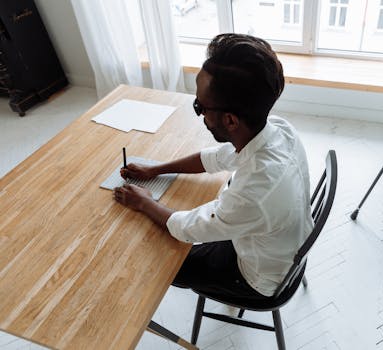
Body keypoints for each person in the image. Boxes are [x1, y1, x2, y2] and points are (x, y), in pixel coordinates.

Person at [113, 33, 313, 300]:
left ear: (230, 120)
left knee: (154, 258)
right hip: (280, 247)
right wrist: (156, 169)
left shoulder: (256, 191)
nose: (200, 115)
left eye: (200, 106)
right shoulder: (277, 129)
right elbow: (217, 157)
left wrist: (144, 202)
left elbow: (188, 228)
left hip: (256, 278)